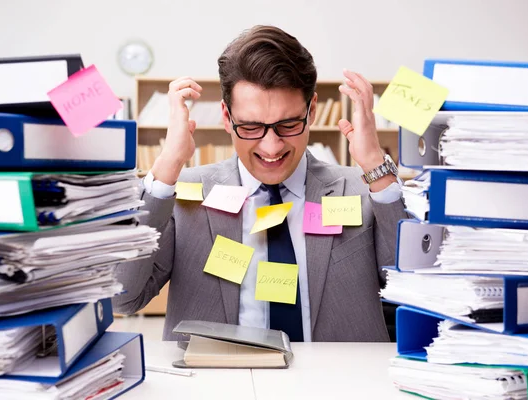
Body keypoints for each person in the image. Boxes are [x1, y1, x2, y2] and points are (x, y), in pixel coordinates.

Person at [113, 25, 407, 342]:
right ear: (226, 117)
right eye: (251, 126)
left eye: (288, 124)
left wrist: (376, 165)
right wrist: (167, 165)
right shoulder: (184, 195)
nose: (271, 147)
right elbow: (123, 297)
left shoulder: (365, 190)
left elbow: (411, 289)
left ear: (312, 112)